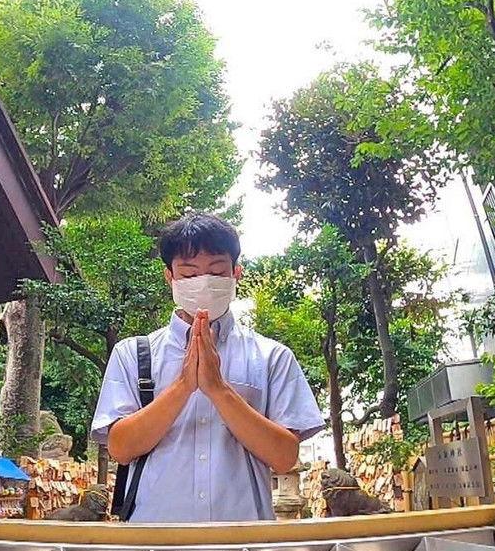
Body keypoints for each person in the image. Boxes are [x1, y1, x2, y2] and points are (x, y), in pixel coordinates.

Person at [90, 213, 325, 522]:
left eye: (216, 271)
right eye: (188, 275)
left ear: (235, 274)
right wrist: (183, 386)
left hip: (243, 539)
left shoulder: (270, 357)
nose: (202, 284)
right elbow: (120, 448)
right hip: (155, 540)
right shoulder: (133, 354)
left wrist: (218, 389)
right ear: (169, 277)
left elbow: (284, 457)